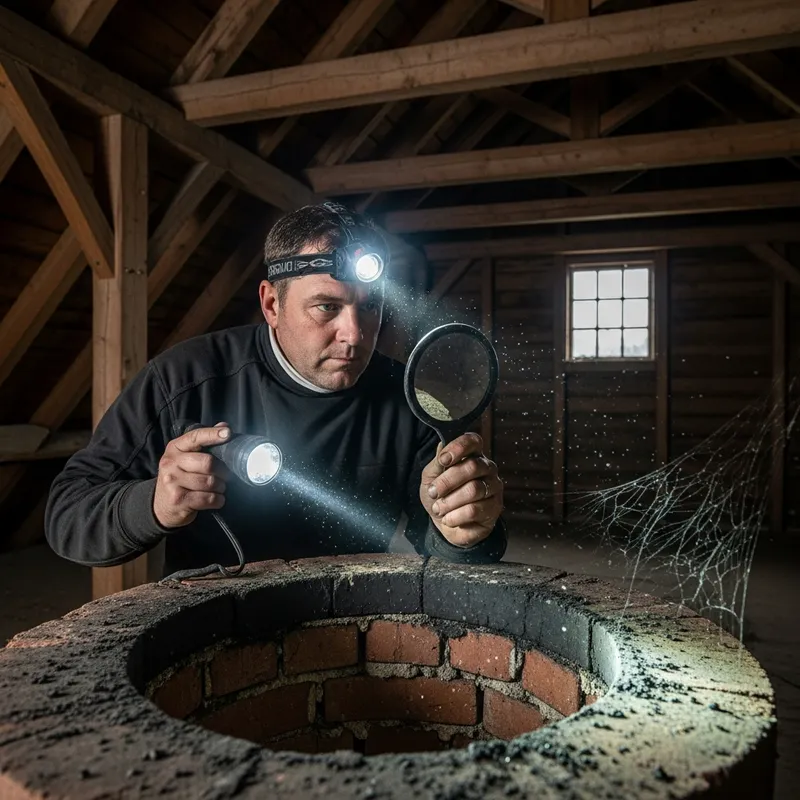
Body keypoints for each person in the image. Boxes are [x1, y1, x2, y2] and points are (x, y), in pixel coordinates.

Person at [45, 203, 506, 576]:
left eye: (368, 309)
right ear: (271, 303)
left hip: (356, 622)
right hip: (207, 628)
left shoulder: (406, 398)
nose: (355, 334)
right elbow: (66, 516)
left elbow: (452, 547)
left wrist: (464, 529)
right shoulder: (185, 380)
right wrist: (154, 502)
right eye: (327, 307)